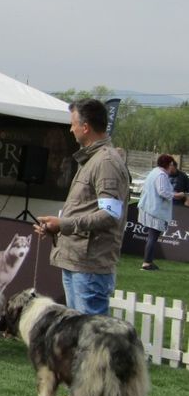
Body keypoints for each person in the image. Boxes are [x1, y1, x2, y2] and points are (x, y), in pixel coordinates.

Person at [34, 98, 129, 315]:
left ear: (85, 127)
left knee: (91, 339)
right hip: (78, 261)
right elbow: (86, 208)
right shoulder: (92, 159)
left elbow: (110, 215)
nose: (70, 129)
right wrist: (56, 226)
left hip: (90, 265)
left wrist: (64, 224)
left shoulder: (106, 162)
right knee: (78, 337)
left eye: (73, 124)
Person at [138, 154, 176, 271]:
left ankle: (148, 261)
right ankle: (147, 263)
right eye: (172, 164)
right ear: (169, 164)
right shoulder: (161, 175)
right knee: (153, 237)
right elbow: (162, 192)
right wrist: (176, 195)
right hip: (155, 210)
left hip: (149, 207)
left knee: (152, 236)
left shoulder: (154, 171)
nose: (173, 167)